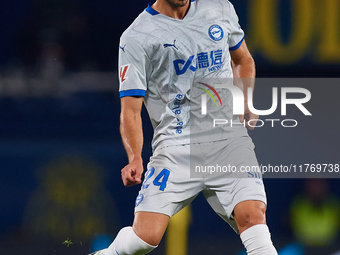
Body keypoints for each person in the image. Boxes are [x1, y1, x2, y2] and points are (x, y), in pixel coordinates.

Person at [90, 0, 277, 254]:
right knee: (144, 239)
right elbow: (130, 109)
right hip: (175, 146)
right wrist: (134, 157)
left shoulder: (219, 8)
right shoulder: (136, 37)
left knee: (253, 218)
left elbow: (243, 60)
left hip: (227, 139)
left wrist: (246, 98)